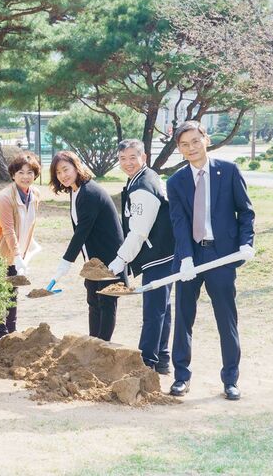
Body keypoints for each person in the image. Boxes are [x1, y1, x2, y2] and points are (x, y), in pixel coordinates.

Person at [166, 121, 255, 401]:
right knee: (183, 319)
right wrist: (186, 259)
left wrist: (246, 244)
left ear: (206, 139)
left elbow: (246, 212)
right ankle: (181, 376)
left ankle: (231, 379)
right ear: (179, 149)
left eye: (195, 141)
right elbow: (179, 223)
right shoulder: (175, 181)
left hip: (222, 255)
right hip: (190, 258)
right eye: (184, 144)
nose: (191, 148)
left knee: (226, 319)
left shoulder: (228, 171)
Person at [109, 139, 176, 374]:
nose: (128, 163)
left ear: (143, 157)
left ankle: (147, 362)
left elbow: (139, 231)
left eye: (132, 158)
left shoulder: (143, 187)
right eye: (123, 158)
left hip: (158, 254)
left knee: (154, 310)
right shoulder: (143, 178)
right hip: (165, 253)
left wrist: (120, 261)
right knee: (162, 308)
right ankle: (162, 360)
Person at [48, 150, 125, 341]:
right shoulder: (75, 190)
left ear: (76, 166)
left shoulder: (89, 192)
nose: (63, 175)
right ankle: (93, 343)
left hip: (109, 257)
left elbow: (82, 231)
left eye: (66, 169)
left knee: (106, 300)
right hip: (93, 258)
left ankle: (102, 347)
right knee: (93, 300)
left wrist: (66, 262)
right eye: (58, 173)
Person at [0, 152, 42, 339]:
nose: (26, 176)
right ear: (13, 174)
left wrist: (24, 255)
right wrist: (17, 256)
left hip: (19, 253)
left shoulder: (35, 194)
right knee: (1, 293)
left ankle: (12, 332)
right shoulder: (5, 198)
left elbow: (29, 226)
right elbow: (8, 230)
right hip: (1, 252)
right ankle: (1, 335)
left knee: (12, 292)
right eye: (21, 172)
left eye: (30, 172)